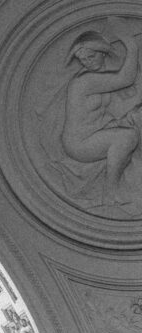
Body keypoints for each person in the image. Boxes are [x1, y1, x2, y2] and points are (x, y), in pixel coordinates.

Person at [59, 20, 142, 203]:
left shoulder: (100, 77)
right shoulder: (84, 82)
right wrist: (131, 46)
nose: (87, 62)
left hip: (95, 133)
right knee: (126, 137)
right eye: (83, 60)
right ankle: (112, 192)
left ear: (103, 53)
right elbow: (126, 78)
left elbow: (122, 103)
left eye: (91, 56)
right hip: (79, 144)